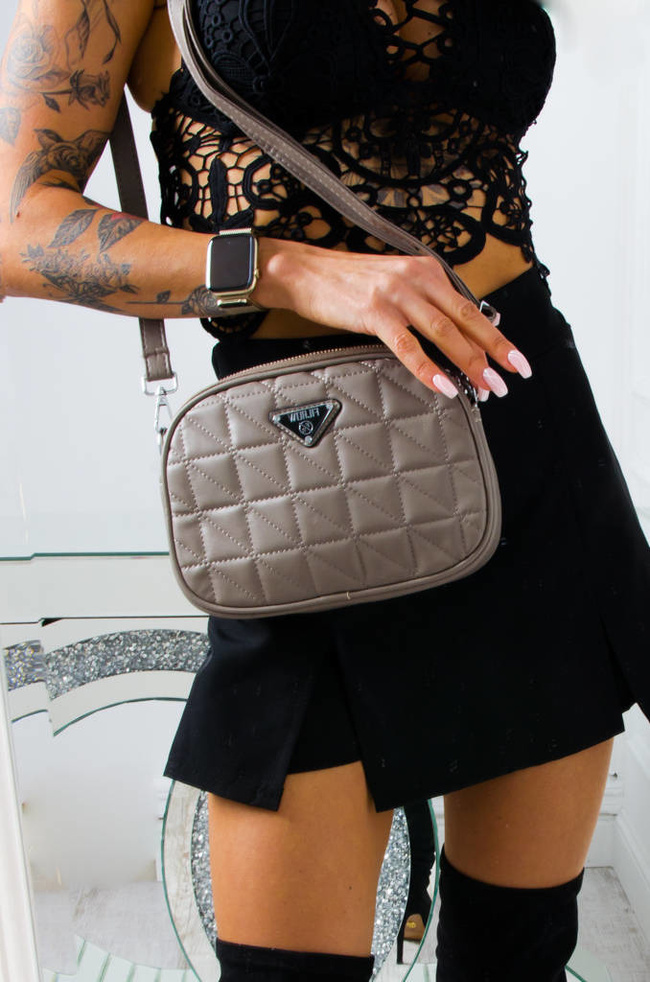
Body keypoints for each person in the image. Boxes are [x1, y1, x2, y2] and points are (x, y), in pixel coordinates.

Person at [2, 1, 649, 979]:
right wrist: (287, 270)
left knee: (516, 956)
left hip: (524, 425)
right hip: (303, 476)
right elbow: (15, 226)